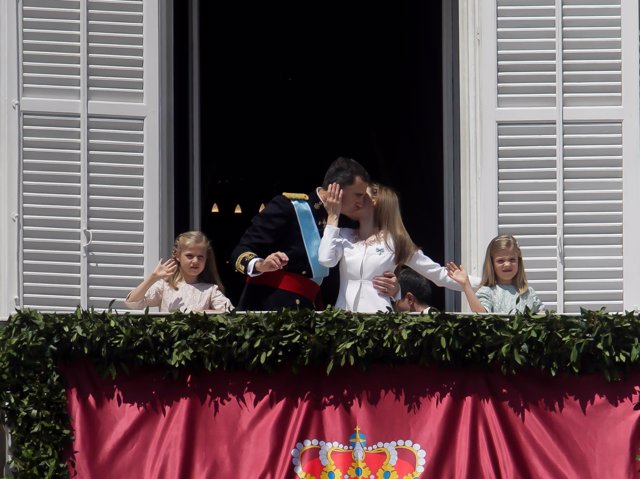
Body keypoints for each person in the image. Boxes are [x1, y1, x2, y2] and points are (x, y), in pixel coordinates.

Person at [230, 157, 399, 311]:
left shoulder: (348, 224)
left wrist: (393, 288)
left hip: (312, 312)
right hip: (268, 308)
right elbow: (240, 251)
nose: (361, 202)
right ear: (337, 189)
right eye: (358, 195)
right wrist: (260, 264)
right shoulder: (289, 208)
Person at [318, 182, 479, 313]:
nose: (356, 200)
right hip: (345, 322)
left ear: (375, 203)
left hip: (379, 322)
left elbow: (438, 274)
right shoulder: (344, 235)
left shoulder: (395, 241)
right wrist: (333, 217)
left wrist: (489, 283)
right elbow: (326, 260)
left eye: (361, 195)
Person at [126, 230, 233, 313]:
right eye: (189, 256)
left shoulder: (210, 290)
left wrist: (201, 313)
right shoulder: (165, 286)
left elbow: (230, 313)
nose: (195, 261)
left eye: (200, 257)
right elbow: (133, 303)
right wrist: (153, 278)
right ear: (178, 256)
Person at [446, 234, 544, 314]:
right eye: (500, 261)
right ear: (491, 264)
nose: (507, 264)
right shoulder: (488, 291)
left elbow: (544, 319)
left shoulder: (528, 293)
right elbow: (481, 314)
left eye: (512, 259)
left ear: (519, 261)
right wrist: (465, 284)